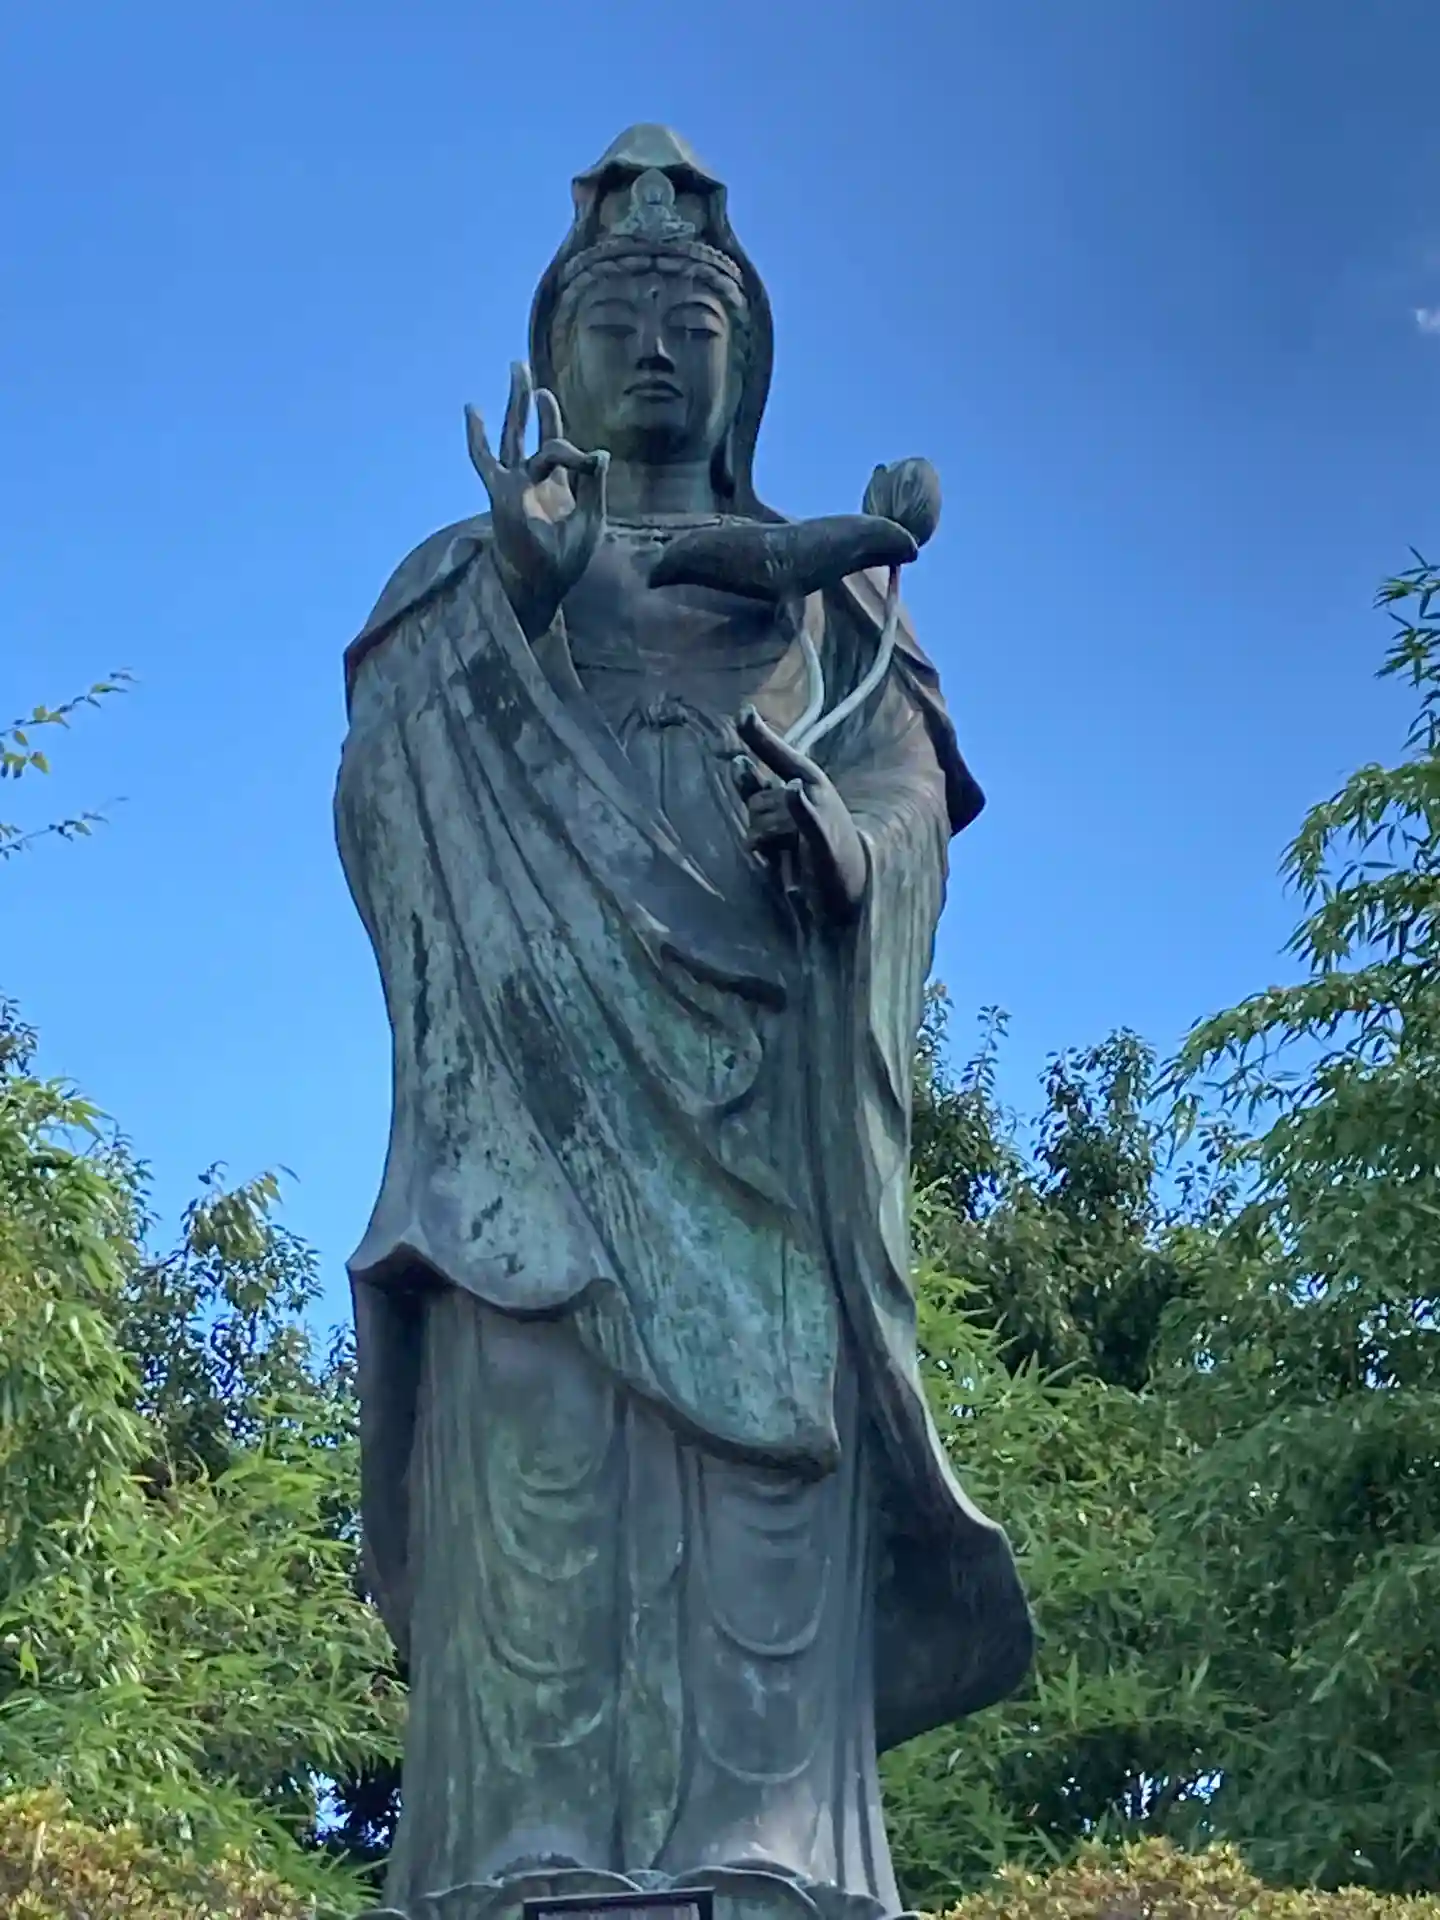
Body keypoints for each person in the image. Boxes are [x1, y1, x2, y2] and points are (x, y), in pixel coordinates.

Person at [335, 124, 1031, 1920]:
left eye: (691, 322)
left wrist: (847, 853)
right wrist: (518, 605)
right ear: (552, 356)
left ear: (745, 363)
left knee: (765, 1485)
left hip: (767, 1129)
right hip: (530, 1136)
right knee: (542, 1478)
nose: (653, 348)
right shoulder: (459, 582)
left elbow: (908, 808)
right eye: (617, 317)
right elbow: (382, 801)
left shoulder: (838, 593)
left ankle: (766, 1852)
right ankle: (520, 1847)